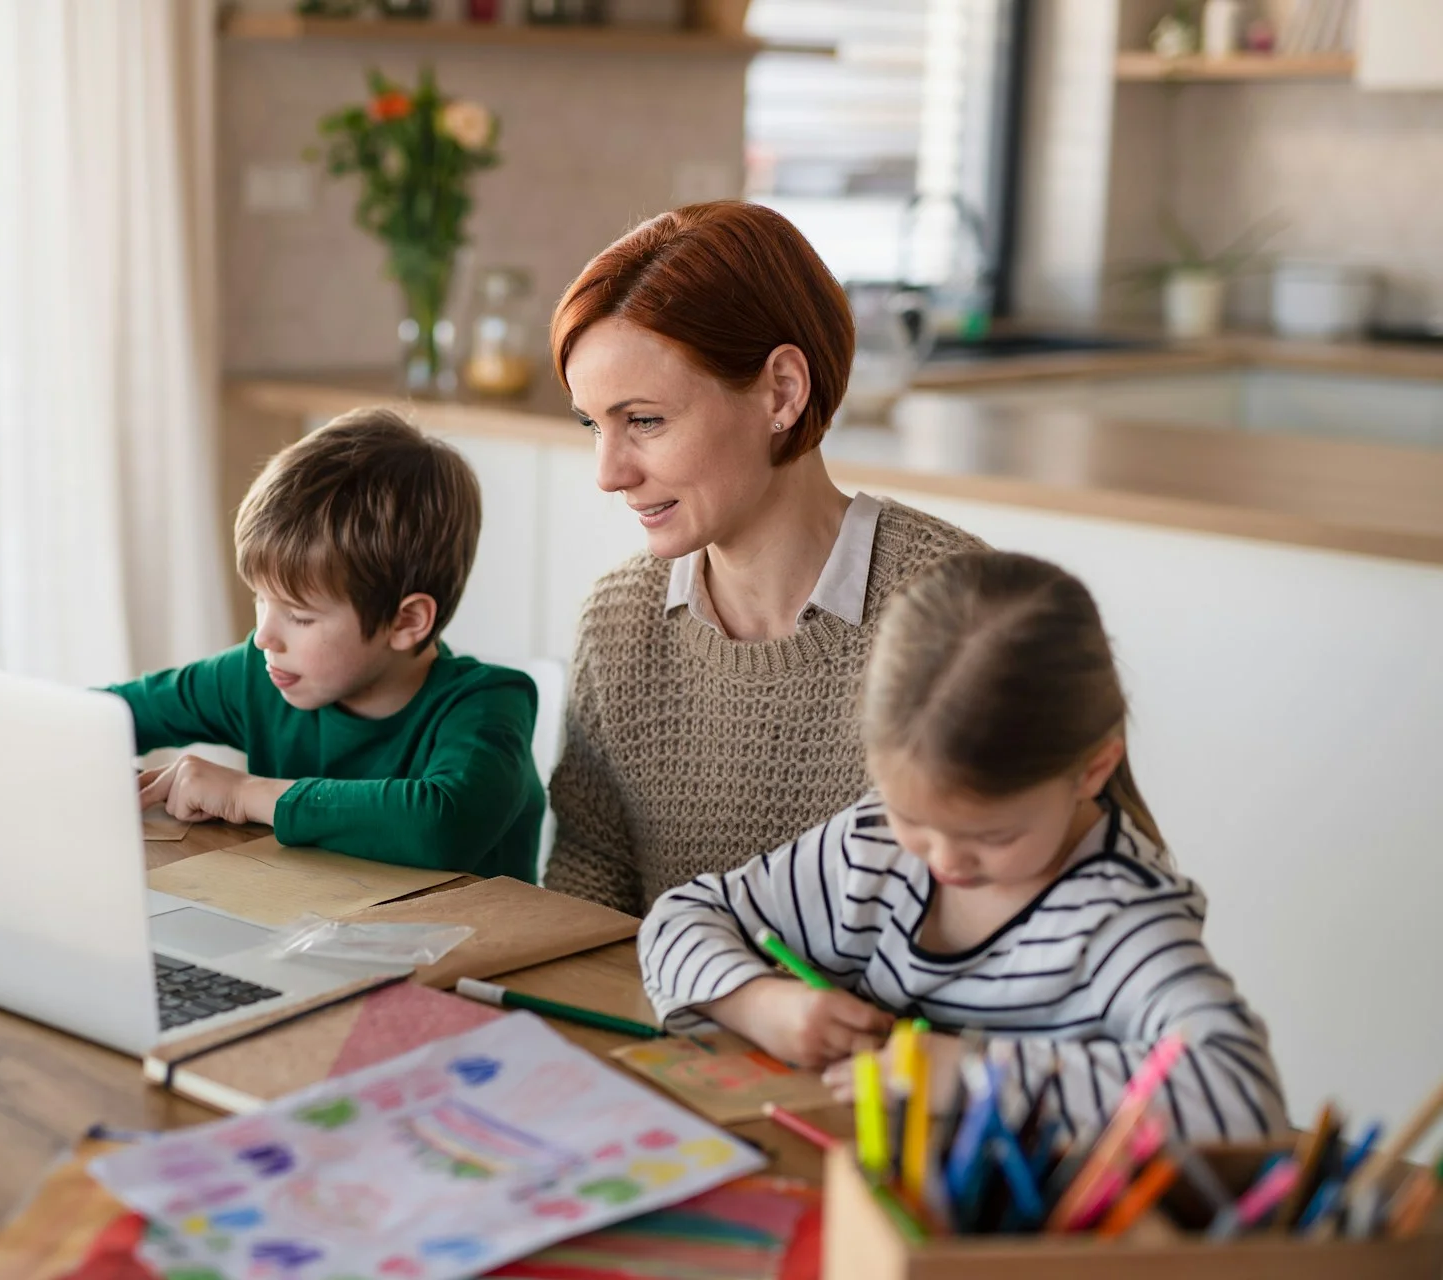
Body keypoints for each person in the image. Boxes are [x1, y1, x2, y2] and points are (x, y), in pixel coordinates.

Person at [639, 551, 1288, 1140]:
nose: (944, 861)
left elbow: (1242, 1095)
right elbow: (679, 918)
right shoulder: (874, 849)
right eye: (911, 817)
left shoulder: (1117, 920)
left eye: (992, 836)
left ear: (1091, 771)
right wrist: (761, 1005)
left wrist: (979, 1076)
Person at [544, 201, 984, 915]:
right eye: (593, 425)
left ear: (781, 391)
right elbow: (591, 875)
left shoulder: (967, 613)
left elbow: (1051, 911)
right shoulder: (620, 622)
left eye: (644, 421)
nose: (609, 472)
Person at [107, 408, 546, 879]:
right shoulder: (260, 674)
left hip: (470, 946)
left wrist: (242, 793)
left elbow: (442, 825)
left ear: (407, 621)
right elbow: (105, 717)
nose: (264, 637)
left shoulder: (489, 703)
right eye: (261, 599)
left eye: (299, 615)